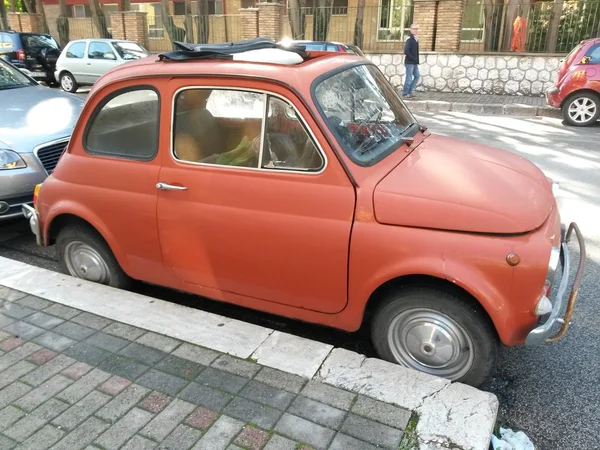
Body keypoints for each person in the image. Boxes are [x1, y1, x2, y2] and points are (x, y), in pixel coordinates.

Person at [402, 24, 420, 98]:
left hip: (414, 62)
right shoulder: (409, 39)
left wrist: (416, 60)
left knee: (417, 76)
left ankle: (410, 91)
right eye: (414, 29)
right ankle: (405, 93)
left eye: (416, 29)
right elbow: (406, 51)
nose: (415, 30)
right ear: (410, 30)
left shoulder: (416, 38)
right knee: (409, 78)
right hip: (409, 62)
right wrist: (413, 58)